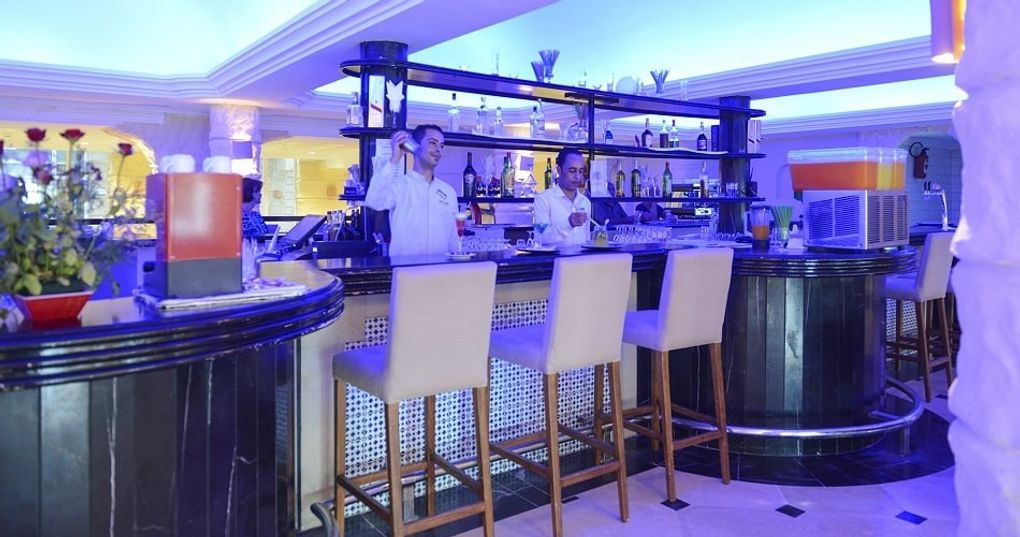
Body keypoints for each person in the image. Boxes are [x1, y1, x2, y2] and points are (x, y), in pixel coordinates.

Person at [365, 125, 458, 256]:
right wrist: (394, 159)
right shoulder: (399, 186)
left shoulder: (448, 192)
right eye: (432, 143)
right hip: (405, 267)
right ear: (416, 146)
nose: (438, 149)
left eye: (441, 146)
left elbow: (453, 238)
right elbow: (374, 202)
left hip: (440, 266)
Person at [533, 148, 591, 246]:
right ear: (559, 170)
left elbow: (586, 239)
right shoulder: (543, 199)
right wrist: (569, 223)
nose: (578, 177)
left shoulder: (585, 202)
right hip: (555, 256)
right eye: (572, 171)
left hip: (582, 256)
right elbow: (540, 237)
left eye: (581, 171)